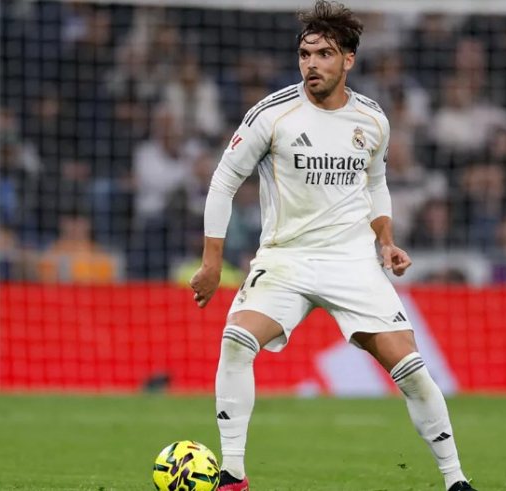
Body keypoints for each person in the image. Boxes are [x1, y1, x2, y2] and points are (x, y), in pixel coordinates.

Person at [188, 2, 476, 490]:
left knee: (410, 369)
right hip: (286, 259)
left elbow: (376, 183)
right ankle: (232, 474)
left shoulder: (372, 119)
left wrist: (386, 240)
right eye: (305, 54)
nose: (311, 64)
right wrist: (211, 262)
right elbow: (223, 181)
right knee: (236, 340)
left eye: (324, 54)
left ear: (348, 60)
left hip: (353, 262)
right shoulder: (272, 114)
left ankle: (456, 480)